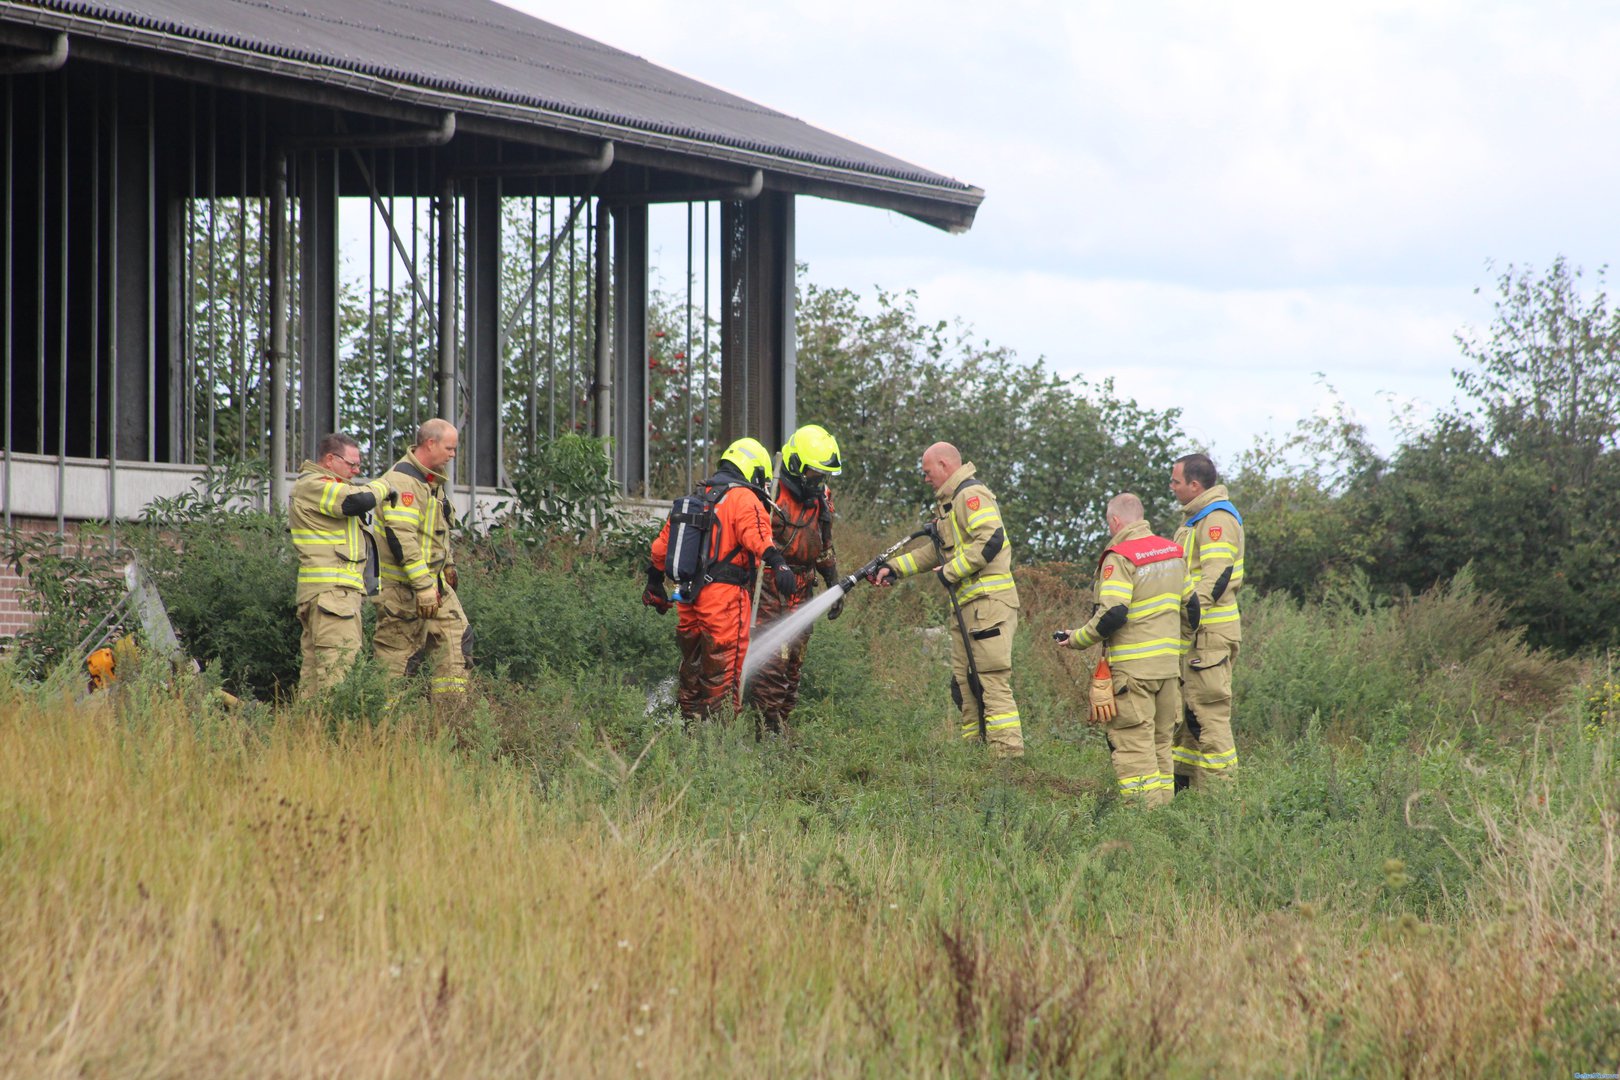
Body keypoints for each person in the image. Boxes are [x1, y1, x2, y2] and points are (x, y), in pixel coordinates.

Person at [873, 442, 1023, 757]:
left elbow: (991, 538)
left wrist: (951, 571)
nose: (925, 479)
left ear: (944, 465)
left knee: (989, 682)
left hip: (989, 605)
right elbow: (935, 551)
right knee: (965, 685)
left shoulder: (971, 495)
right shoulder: (950, 504)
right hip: (970, 608)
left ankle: (1006, 760)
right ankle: (976, 755)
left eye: (928, 472)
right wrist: (894, 568)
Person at [644, 437, 798, 723]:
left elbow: (660, 549)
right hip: (724, 601)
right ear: (753, 470)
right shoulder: (744, 498)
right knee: (724, 675)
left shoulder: (697, 497)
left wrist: (653, 584)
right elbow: (757, 537)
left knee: (692, 670)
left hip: (688, 598)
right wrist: (780, 565)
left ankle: (689, 729)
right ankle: (718, 743)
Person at [1055, 493, 1188, 807]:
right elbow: (1192, 608)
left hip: (1133, 673)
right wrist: (1176, 651)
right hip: (1169, 670)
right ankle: (1166, 817)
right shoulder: (1173, 552)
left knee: (1133, 747)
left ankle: (1145, 823)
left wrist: (1076, 638)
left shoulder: (1121, 555)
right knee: (1160, 746)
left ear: (1115, 521)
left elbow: (1114, 613)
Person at [745, 424, 844, 736]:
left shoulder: (822, 499)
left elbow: (824, 547)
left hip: (803, 589)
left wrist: (835, 585)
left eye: (823, 476)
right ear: (796, 466)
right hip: (770, 587)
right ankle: (766, 730)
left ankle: (780, 724)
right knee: (772, 662)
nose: (819, 482)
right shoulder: (770, 493)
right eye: (814, 474)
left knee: (793, 664)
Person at [372, 419, 471, 708]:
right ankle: (385, 725)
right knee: (398, 658)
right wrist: (423, 587)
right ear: (430, 443)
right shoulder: (404, 480)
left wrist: (448, 564)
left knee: (457, 640)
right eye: (450, 448)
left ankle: (451, 716)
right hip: (404, 590)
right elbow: (401, 538)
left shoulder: (430, 479)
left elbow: (433, 531)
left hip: (434, 586)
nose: (453, 455)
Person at [289, 433, 392, 698]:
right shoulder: (315, 484)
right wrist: (386, 486)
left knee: (315, 679)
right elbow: (354, 501)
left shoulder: (321, 487)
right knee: (336, 676)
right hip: (332, 596)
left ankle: (307, 735)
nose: (357, 471)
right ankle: (330, 735)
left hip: (330, 595)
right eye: (352, 464)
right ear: (330, 459)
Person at [1170, 452, 1245, 788]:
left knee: (1208, 716)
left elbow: (1216, 576)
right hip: (1197, 635)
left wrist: (1190, 615)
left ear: (1194, 485)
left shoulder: (1215, 519)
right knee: (1189, 718)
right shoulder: (1196, 520)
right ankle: (1184, 789)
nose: (1171, 487)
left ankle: (1221, 799)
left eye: (1175, 481)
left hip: (1209, 634)